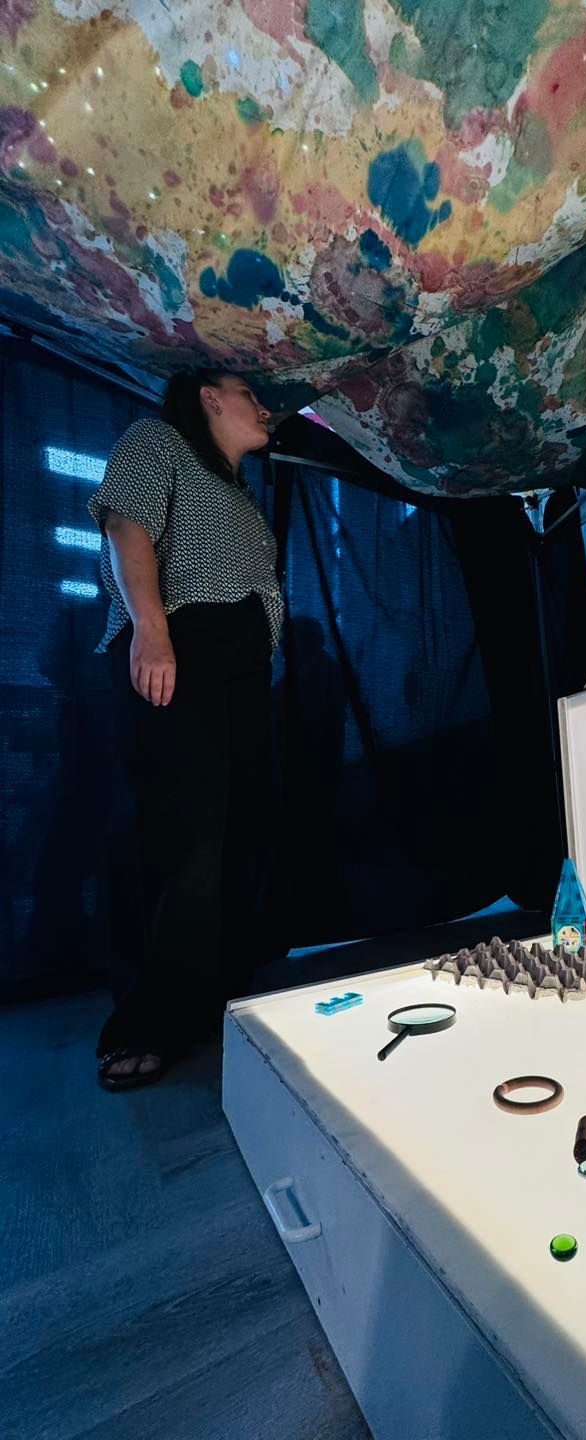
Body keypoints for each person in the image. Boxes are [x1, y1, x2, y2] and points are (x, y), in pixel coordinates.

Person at [88, 370, 283, 1090]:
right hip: (181, 648)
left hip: (242, 667)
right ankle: (147, 1023)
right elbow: (127, 524)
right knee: (182, 834)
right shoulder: (157, 441)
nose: (263, 408)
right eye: (248, 395)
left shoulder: (241, 496)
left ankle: (220, 999)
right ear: (209, 396)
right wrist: (152, 633)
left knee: (240, 831)